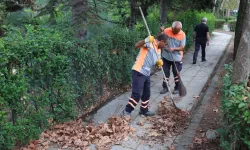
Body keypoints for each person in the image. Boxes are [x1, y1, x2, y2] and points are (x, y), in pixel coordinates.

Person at [122, 33, 168, 117]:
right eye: (165, 43)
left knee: (146, 94)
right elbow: (137, 45)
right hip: (139, 71)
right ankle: (126, 111)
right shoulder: (150, 43)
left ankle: (144, 110)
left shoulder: (159, 49)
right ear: (161, 41)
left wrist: (158, 64)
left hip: (146, 73)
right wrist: (146, 40)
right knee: (136, 94)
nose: (165, 45)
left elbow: (154, 62)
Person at [159, 21, 186, 95]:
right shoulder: (167, 31)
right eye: (175, 30)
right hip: (166, 57)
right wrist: (161, 32)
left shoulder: (182, 35)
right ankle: (165, 87)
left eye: (178, 31)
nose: (176, 32)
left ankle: (177, 88)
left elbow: (182, 48)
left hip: (177, 58)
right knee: (165, 73)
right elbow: (159, 39)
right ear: (172, 28)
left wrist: (173, 49)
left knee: (176, 73)